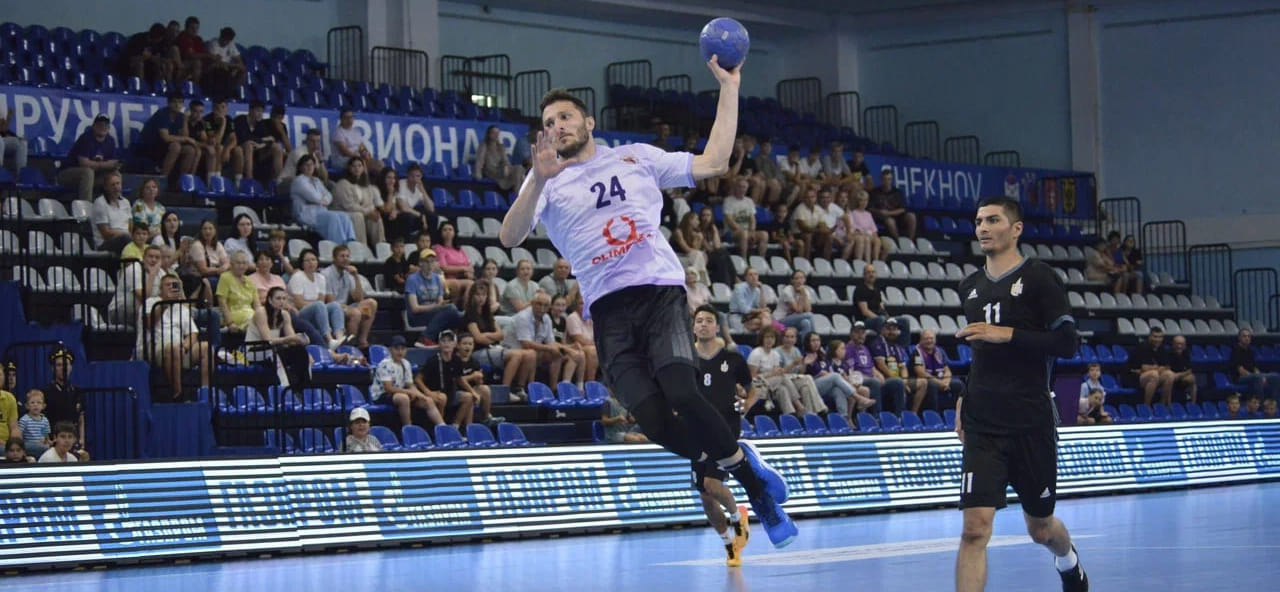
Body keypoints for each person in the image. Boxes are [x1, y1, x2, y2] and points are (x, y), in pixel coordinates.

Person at [499, 66, 796, 548]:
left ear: (589, 122)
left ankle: (756, 490)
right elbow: (509, 237)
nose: (558, 127)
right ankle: (746, 466)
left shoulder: (635, 156)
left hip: (657, 291)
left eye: (566, 117)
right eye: (549, 122)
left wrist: (730, 87)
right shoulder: (545, 181)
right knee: (654, 421)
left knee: (682, 391)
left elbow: (716, 161)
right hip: (607, 310)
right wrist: (537, 180)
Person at [954, 196, 1087, 592]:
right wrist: (963, 397)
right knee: (975, 528)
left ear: (1016, 229)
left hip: (1030, 419)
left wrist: (1007, 334)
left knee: (1041, 528)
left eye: (993, 220)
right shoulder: (969, 286)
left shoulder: (1041, 278)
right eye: (979, 221)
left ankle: (1068, 562)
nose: (983, 227)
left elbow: (1067, 343)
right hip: (982, 421)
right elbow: (981, 353)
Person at [692, 305, 753, 566]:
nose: (703, 324)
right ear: (693, 327)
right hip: (696, 430)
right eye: (699, 320)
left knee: (712, 484)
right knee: (705, 497)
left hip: (725, 428)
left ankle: (739, 518)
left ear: (717, 327)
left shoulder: (733, 359)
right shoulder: (686, 359)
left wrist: (746, 404)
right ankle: (729, 544)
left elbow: (752, 389)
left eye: (709, 320)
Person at [371, 335, 445, 429]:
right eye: (397, 349)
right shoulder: (385, 364)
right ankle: (408, 428)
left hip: (401, 392)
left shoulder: (406, 363)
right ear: (390, 350)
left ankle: (443, 427)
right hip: (382, 395)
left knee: (428, 401)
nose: (400, 352)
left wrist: (422, 396)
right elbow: (388, 388)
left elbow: (410, 385)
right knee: (403, 398)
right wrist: (409, 392)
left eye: (403, 349)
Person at [18, 389, 51, 458]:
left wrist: (47, 442)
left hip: (42, 447)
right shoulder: (24, 420)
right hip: (29, 448)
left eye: (39, 403)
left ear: (43, 406)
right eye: (32, 403)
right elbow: (20, 438)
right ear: (27, 406)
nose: (35, 405)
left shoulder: (45, 420)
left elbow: (45, 436)